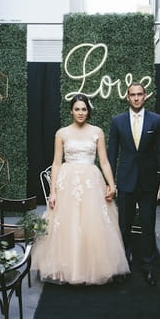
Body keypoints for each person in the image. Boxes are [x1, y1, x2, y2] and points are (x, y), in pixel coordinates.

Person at [31, 93, 130, 285]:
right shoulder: (61, 133)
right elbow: (57, 163)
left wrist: (112, 184)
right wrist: (53, 191)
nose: (80, 112)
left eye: (84, 109)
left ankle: (92, 269)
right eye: (77, 109)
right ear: (71, 111)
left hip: (91, 181)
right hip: (67, 182)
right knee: (67, 225)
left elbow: (104, 161)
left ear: (88, 111)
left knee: (93, 225)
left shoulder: (97, 132)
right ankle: (64, 269)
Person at [107, 82, 160, 286]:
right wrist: (110, 183)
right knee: (124, 225)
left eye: (139, 94)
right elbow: (112, 154)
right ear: (127, 97)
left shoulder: (156, 120)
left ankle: (149, 267)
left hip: (149, 182)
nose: (136, 98)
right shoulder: (117, 121)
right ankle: (124, 265)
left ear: (145, 96)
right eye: (132, 94)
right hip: (126, 180)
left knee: (148, 226)